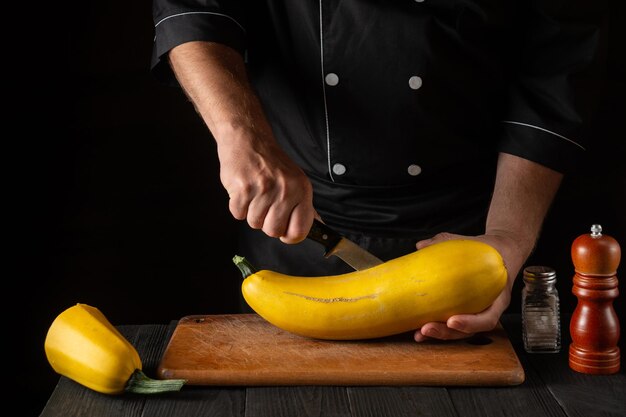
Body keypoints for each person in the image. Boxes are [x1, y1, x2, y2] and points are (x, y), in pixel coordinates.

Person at [150, 1, 605, 342]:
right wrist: (242, 137)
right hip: (299, 223)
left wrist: (508, 237)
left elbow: (555, 70)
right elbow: (194, 8)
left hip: (472, 226)